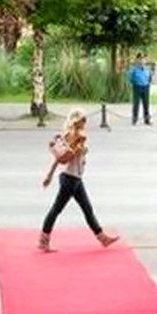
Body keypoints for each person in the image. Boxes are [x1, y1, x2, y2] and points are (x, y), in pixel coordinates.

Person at [39, 108, 120, 252]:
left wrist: (50, 175)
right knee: (57, 209)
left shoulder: (76, 135)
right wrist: (50, 175)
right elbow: (62, 158)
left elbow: (62, 159)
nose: (84, 124)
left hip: (75, 178)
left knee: (87, 209)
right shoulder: (74, 136)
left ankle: (102, 238)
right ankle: (43, 240)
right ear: (76, 122)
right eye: (83, 121)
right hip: (70, 178)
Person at [128, 53, 153, 126]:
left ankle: (147, 119)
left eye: (143, 59)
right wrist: (135, 83)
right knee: (136, 103)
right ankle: (134, 119)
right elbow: (131, 78)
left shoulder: (147, 69)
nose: (142, 61)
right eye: (140, 59)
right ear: (137, 60)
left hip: (145, 87)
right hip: (137, 87)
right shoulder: (134, 69)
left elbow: (150, 77)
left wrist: (148, 83)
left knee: (146, 104)